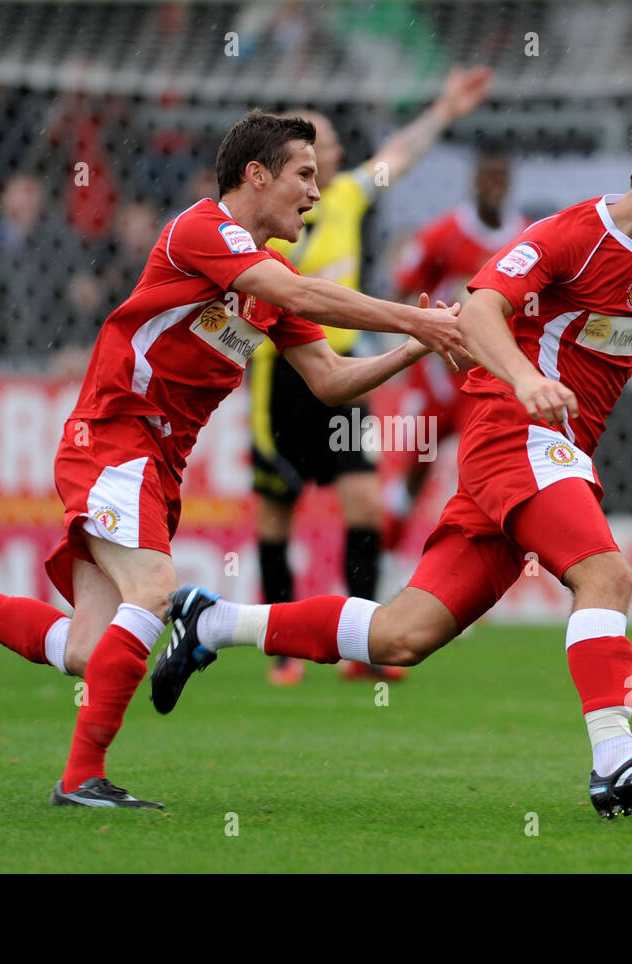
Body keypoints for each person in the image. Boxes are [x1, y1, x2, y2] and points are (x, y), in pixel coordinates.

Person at [154, 100, 632, 820]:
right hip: (514, 433)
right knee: (606, 575)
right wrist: (526, 379)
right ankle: (615, 760)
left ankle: (211, 621)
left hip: (539, 451)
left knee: (402, 635)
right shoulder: (571, 235)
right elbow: (481, 305)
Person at [0, 110, 466, 808]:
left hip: (156, 464)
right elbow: (297, 295)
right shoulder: (201, 231)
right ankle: (81, 781)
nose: (316, 194)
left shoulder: (271, 278)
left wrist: (415, 347)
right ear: (256, 175)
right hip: (115, 440)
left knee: (90, 650)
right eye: (304, 175)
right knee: (153, 589)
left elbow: (330, 378)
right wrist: (416, 316)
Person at [249, 66, 492, 686]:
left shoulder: (350, 195)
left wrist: (443, 108)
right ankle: (282, 651)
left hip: (344, 371)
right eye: (310, 147)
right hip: (281, 378)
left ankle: (361, 645)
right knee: (276, 516)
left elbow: (398, 156)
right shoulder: (264, 223)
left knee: (362, 502)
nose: (324, 152)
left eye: (324, 144)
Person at [384, 145, 528, 548]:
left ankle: (467, 559)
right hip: (434, 374)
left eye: (501, 179)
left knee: (479, 469)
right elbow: (402, 291)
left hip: (486, 377)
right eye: (488, 178)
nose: (494, 186)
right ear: (475, 182)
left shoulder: (525, 237)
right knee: (416, 466)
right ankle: (387, 551)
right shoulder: (441, 235)